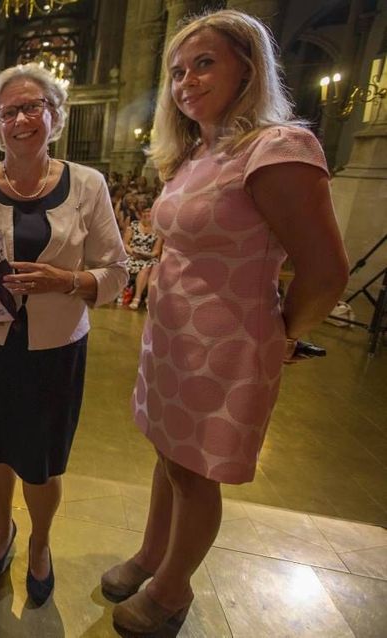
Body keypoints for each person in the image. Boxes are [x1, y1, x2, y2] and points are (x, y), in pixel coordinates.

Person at [101, 10, 349, 634]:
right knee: (167, 453)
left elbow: (325, 272)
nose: (186, 82)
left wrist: (282, 334)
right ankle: (153, 555)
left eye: (205, 63)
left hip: (231, 341)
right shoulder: (197, 152)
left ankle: (172, 592)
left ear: (249, 66)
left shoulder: (277, 147)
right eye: (178, 71)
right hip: (174, 337)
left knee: (195, 470)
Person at [0, 63, 128, 606]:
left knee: (41, 460)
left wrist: (68, 280)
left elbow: (117, 272)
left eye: (33, 107)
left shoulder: (88, 184)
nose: (21, 119)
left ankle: (42, 544)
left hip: (54, 349)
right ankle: (3, 528)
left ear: (54, 116)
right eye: (9, 112)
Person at [122, 198, 162, 310]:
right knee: (145, 267)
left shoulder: (158, 230)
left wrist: (147, 255)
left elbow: (156, 251)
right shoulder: (133, 226)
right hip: (133, 255)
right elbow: (125, 244)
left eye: (149, 212)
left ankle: (148, 299)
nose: (147, 214)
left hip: (149, 257)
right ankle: (138, 298)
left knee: (152, 266)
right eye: (145, 212)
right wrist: (133, 252)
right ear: (141, 213)